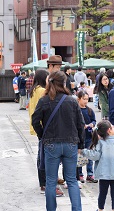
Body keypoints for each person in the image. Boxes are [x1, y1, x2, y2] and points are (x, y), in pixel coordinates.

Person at [32, 71, 85, 210]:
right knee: (72, 180)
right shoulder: (72, 100)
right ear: (64, 83)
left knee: (50, 181)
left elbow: (35, 120)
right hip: (70, 143)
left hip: (51, 144)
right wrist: (81, 144)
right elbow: (81, 124)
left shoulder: (44, 100)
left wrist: (42, 135)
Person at [28, 69, 65, 196]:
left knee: (42, 155)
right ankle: (45, 182)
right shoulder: (41, 91)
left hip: (39, 127)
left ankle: (47, 181)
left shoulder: (33, 90)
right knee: (44, 157)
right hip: (45, 128)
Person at [82, 120, 114, 211]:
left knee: (102, 193)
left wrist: (84, 151)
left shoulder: (100, 143)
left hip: (103, 174)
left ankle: (100, 209)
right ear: (109, 130)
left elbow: (95, 156)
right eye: (113, 127)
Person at [77, 90, 97, 183]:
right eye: (84, 99)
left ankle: (90, 174)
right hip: (79, 137)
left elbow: (94, 120)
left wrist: (91, 124)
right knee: (80, 156)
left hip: (89, 136)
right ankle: (80, 174)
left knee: (89, 156)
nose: (85, 101)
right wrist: (82, 125)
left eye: (87, 99)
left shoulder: (89, 110)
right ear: (79, 99)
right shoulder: (76, 110)